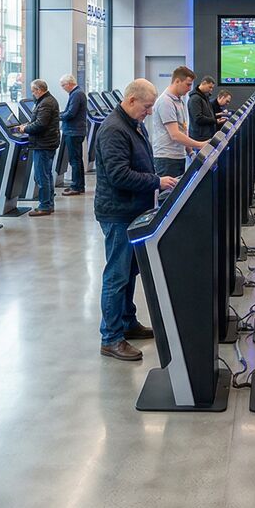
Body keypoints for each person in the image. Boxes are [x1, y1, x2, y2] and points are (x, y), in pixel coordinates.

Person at [93, 79, 175, 361]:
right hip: (118, 213)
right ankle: (111, 337)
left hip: (133, 210)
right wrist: (157, 181)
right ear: (130, 101)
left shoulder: (131, 124)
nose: (150, 112)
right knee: (117, 275)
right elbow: (119, 175)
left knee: (129, 273)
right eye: (147, 106)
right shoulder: (114, 130)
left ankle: (127, 322)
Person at [147, 66, 205, 178]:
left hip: (178, 156)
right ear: (177, 81)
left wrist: (191, 153)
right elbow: (175, 135)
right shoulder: (166, 102)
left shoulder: (179, 100)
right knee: (168, 195)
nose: (189, 89)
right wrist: (200, 145)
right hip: (167, 158)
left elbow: (183, 130)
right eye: (188, 84)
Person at [23, 79, 60, 215]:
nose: (33, 94)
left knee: (41, 176)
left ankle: (44, 206)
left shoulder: (45, 103)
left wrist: (24, 129)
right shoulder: (48, 100)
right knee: (46, 174)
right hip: (47, 142)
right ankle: (48, 203)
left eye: (33, 91)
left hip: (43, 144)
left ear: (39, 90)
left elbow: (40, 124)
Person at [57, 74, 88, 197]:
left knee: (74, 160)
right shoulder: (78, 93)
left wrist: (56, 117)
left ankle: (76, 186)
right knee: (77, 160)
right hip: (76, 131)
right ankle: (79, 185)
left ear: (69, 84)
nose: (63, 88)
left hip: (73, 131)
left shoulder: (76, 94)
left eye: (63, 85)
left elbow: (71, 113)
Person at [188, 75, 219, 142]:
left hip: (206, 135)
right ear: (204, 83)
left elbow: (208, 114)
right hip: (199, 137)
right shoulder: (195, 99)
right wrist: (215, 121)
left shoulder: (205, 97)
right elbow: (198, 118)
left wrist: (216, 117)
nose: (211, 90)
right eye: (210, 87)